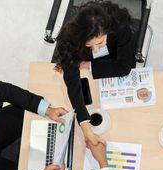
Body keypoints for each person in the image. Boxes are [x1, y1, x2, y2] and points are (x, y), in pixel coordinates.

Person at [52, 0, 136, 147]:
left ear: (107, 30)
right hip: (93, 75)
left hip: (110, 64)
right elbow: (72, 81)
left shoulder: (120, 26)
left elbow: (123, 67)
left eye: (100, 42)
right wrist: (85, 126)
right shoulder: (71, 36)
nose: (96, 49)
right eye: (89, 45)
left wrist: (88, 65)